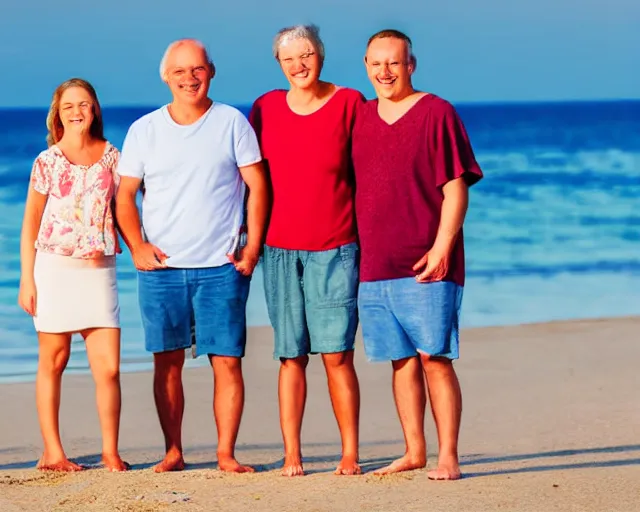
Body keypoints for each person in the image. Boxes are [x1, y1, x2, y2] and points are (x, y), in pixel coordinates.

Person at [115, 39, 268, 473]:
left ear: (211, 72)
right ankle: (173, 452)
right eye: (180, 71)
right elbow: (125, 196)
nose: (189, 78)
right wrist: (137, 246)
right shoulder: (145, 130)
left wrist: (252, 246)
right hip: (162, 269)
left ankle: (226, 455)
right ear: (166, 76)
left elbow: (258, 186)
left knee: (227, 362)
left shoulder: (232, 123)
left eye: (197, 69)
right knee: (167, 362)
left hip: (222, 267)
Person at [351, 29, 484, 480]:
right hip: (374, 264)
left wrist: (443, 247)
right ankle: (413, 450)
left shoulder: (436, 113)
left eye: (394, 62)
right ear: (366, 66)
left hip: (427, 260)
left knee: (434, 357)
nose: (385, 72)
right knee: (401, 360)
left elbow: (455, 188)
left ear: (411, 65)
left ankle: (449, 455)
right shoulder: (360, 117)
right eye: (376, 63)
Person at [249, 24, 363, 477]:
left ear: (322, 56)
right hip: (278, 250)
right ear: (279, 64)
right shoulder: (265, 107)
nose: (300, 65)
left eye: (307, 54)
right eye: (290, 58)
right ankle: (292, 452)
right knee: (290, 354)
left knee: (337, 354)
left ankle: (350, 452)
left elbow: (370, 169)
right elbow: (246, 177)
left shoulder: (350, 102)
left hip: (336, 245)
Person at [18, 78, 128, 472]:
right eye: (69, 106)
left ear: (95, 108)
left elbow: (127, 210)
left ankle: (110, 451)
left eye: (84, 104)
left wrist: (143, 247)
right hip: (54, 269)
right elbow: (30, 222)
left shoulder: (114, 158)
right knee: (54, 360)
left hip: (99, 270)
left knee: (109, 368)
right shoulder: (47, 161)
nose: (77, 111)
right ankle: (53, 452)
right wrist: (27, 280)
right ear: (58, 113)